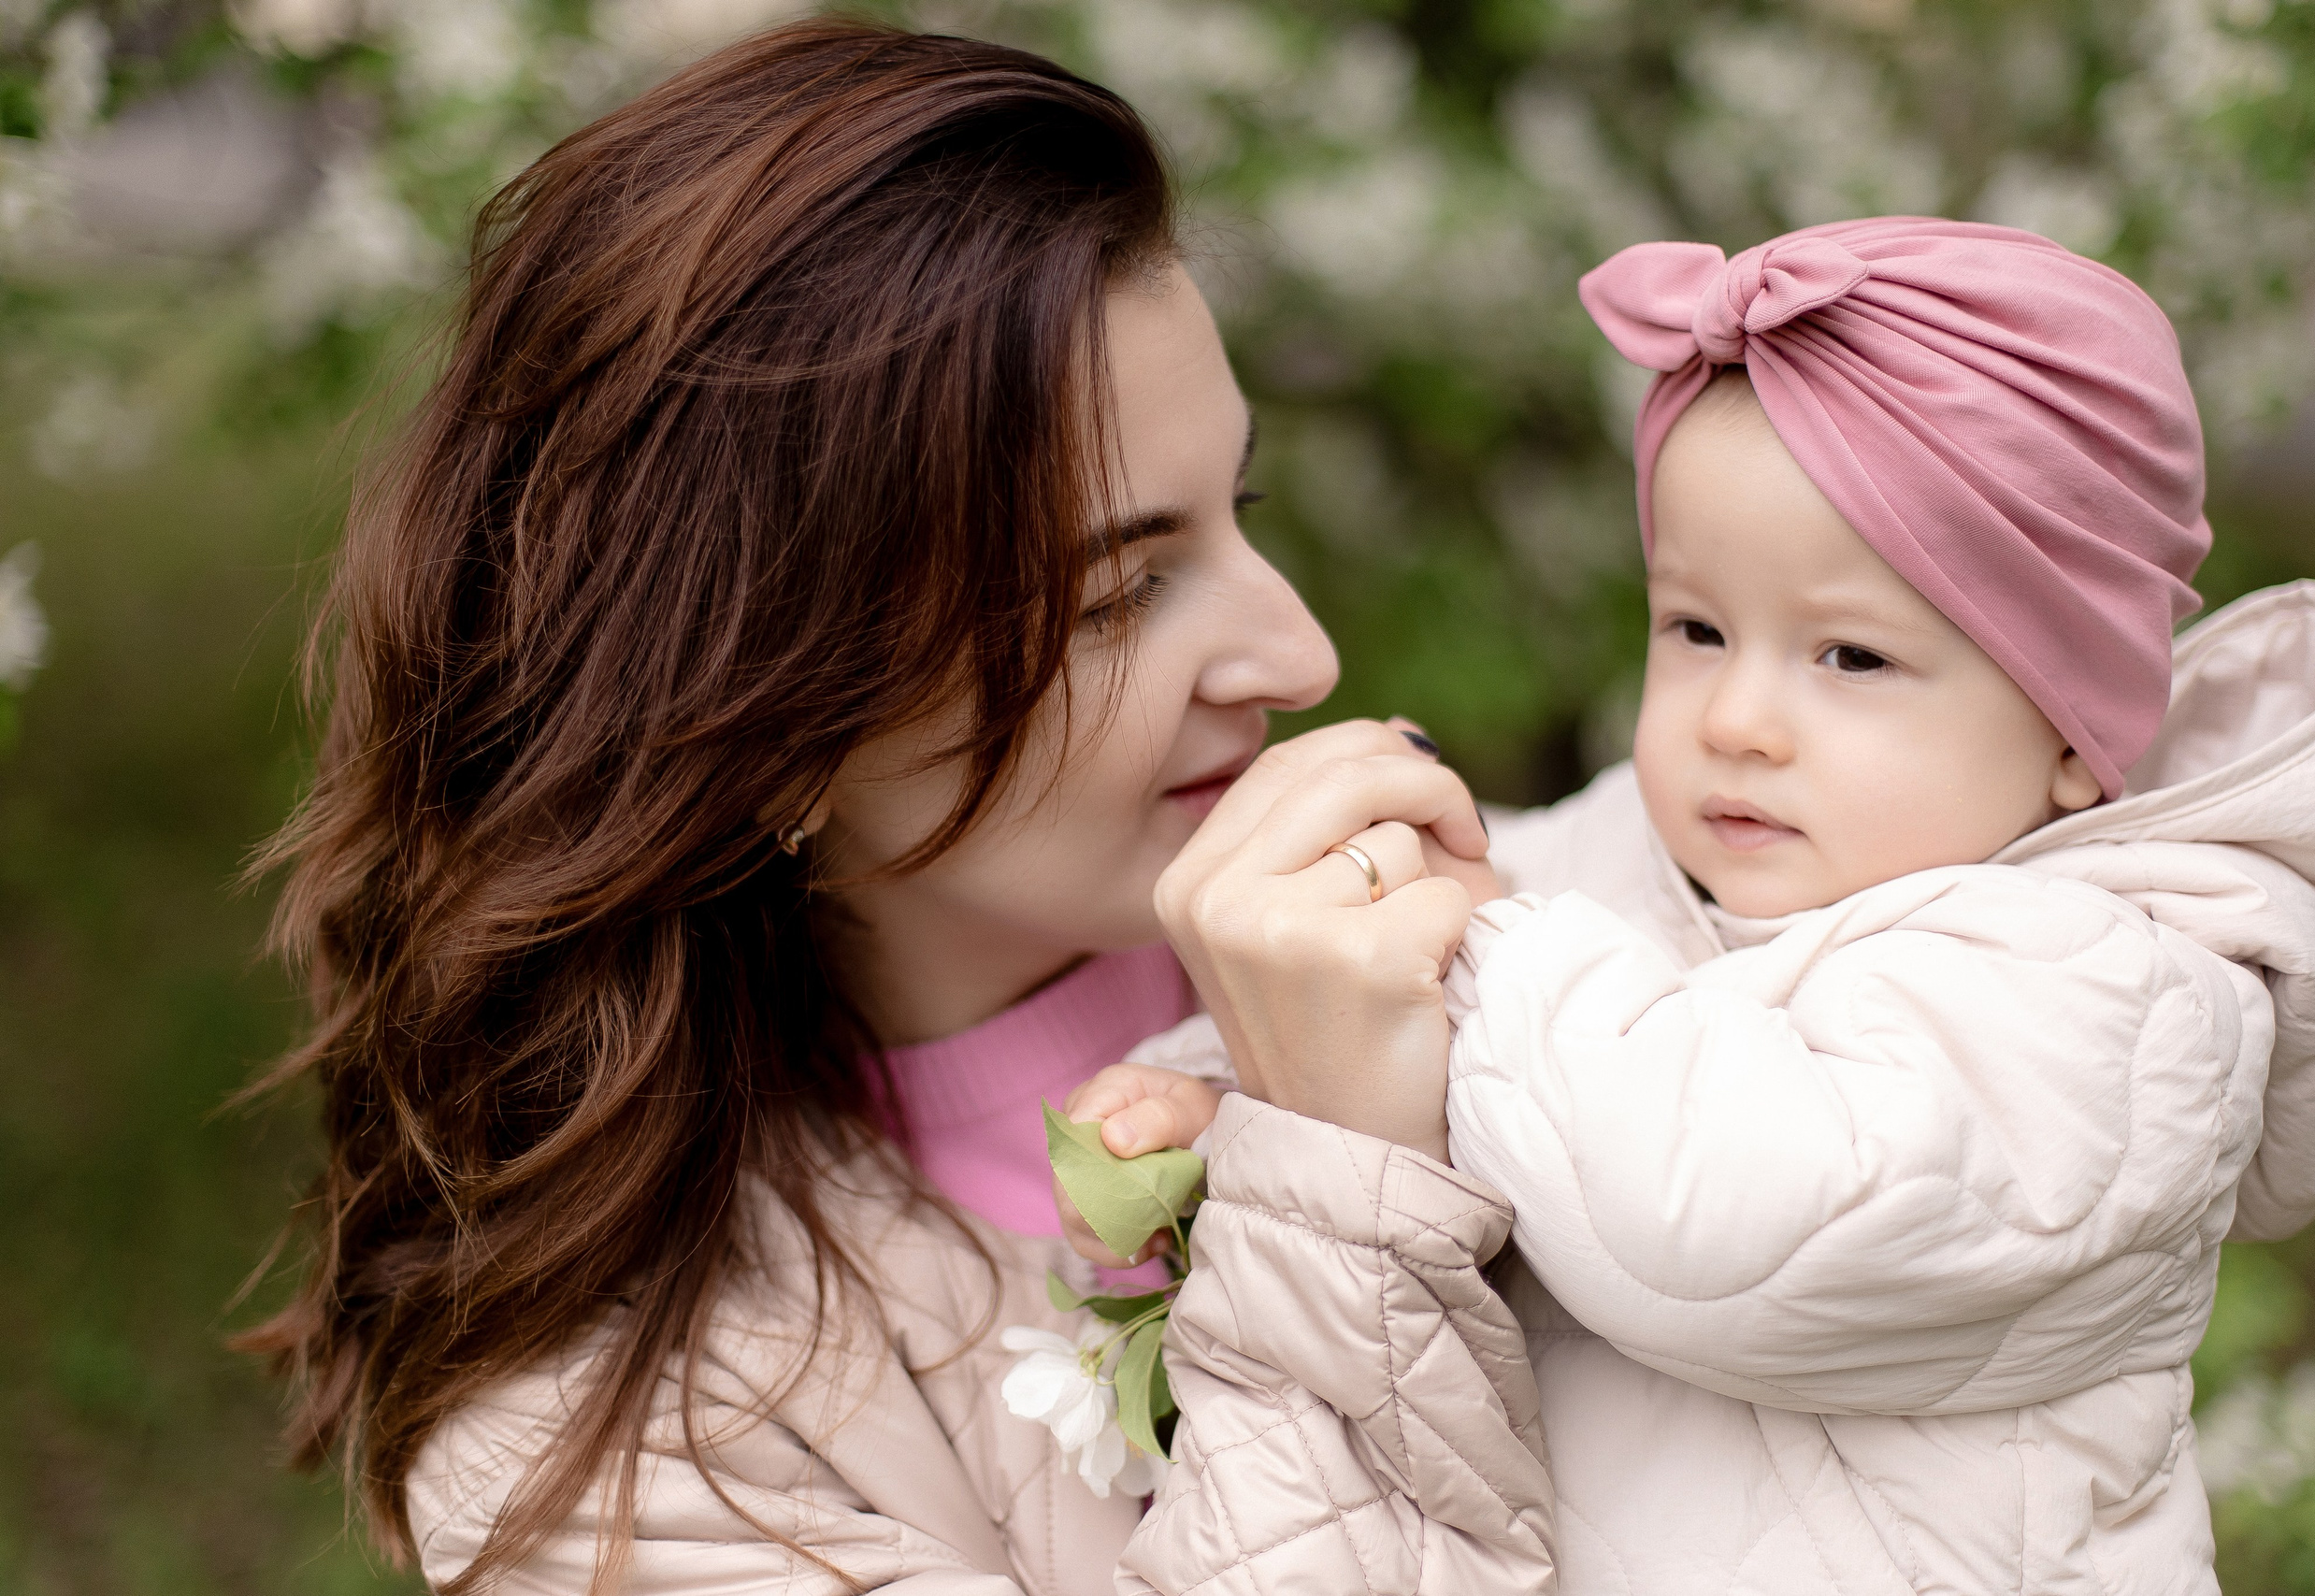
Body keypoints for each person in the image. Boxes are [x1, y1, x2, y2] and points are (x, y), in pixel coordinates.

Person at [240, 21, 1558, 1594]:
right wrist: (1338, 1186)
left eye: (1241, 509)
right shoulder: (622, 1468)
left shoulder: (1499, 937)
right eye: (1120, 593)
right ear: (767, 724)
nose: (1303, 656)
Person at [1077, 220, 2315, 1593]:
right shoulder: (1633, 852)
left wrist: (1465, 939)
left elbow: (1718, 1222)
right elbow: (1410, 1036)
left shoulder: (2117, 998)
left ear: (2073, 728)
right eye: (1698, 630)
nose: (1739, 719)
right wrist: (1235, 1095)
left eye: (1852, 656)